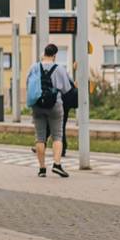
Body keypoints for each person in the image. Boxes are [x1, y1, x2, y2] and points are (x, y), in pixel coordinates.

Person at [27, 43, 73, 177]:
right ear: (54, 55)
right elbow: (66, 89)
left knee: (40, 137)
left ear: (44, 53)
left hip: (37, 105)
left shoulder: (34, 67)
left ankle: (42, 169)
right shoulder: (59, 69)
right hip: (55, 105)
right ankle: (57, 165)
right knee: (57, 135)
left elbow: (28, 84)